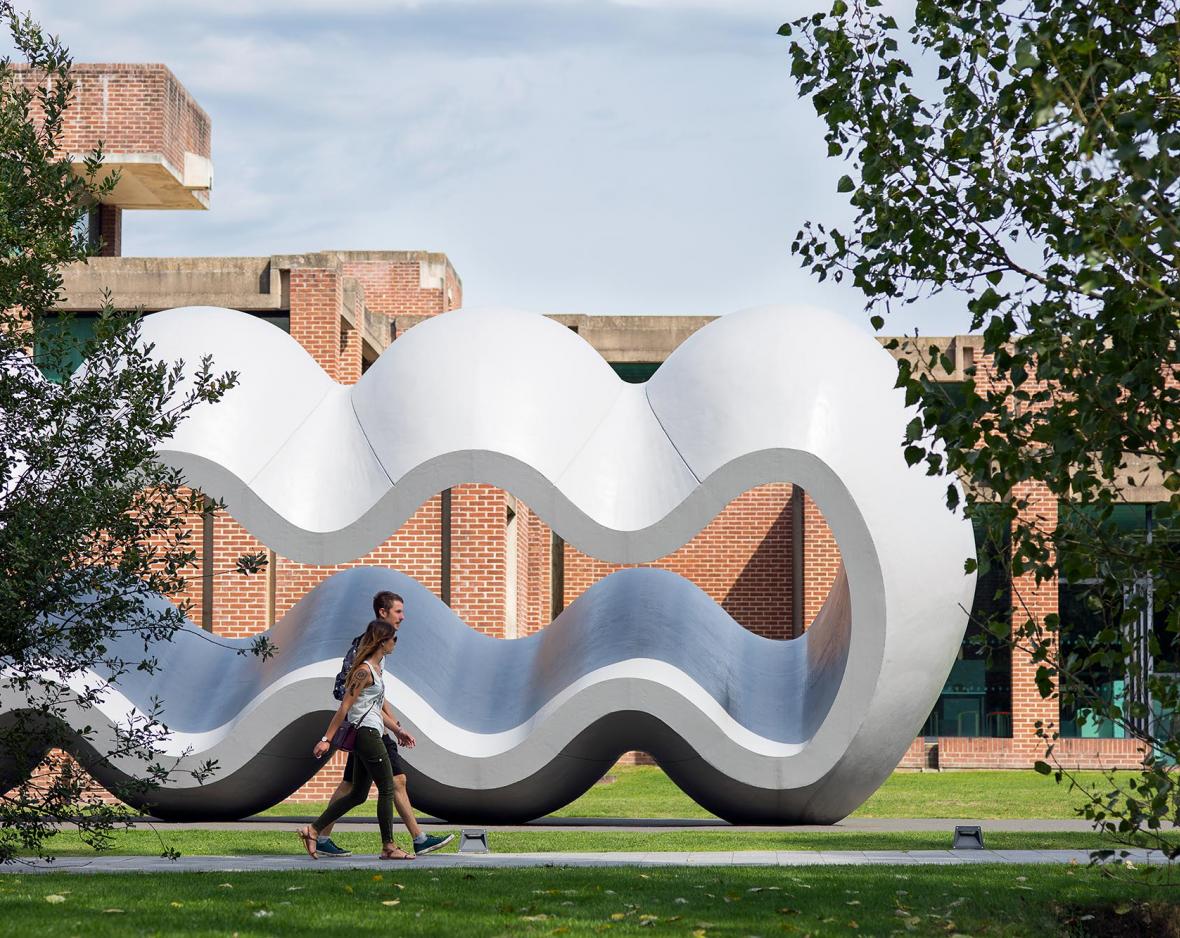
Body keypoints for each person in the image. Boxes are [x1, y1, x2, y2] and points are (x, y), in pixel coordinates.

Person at [298, 599, 453, 859]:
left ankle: (313, 831)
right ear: (382, 642)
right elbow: (344, 708)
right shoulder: (364, 671)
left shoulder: (377, 670)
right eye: (393, 640)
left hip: (372, 731)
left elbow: (376, 705)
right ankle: (389, 847)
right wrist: (327, 739)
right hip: (366, 735)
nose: (396, 643)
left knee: (358, 793)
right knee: (388, 788)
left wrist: (397, 729)